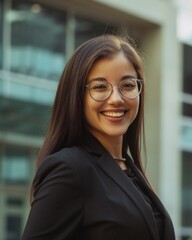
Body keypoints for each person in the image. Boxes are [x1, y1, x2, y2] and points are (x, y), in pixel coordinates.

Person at [22, 35, 175, 240]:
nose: (116, 99)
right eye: (100, 87)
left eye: (128, 85)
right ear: (77, 97)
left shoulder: (128, 169)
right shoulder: (69, 169)